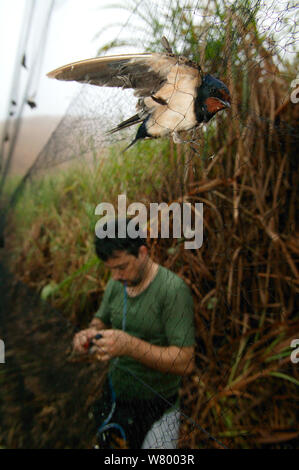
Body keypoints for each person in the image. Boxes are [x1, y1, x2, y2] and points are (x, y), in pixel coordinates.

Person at [73, 217, 195, 449]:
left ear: (142, 252)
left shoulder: (172, 290)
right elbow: (101, 319)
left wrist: (130, 346)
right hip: (117, 401)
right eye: (110, 269)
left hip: (159, 408)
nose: (116, 276)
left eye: (121, 267)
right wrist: (90, 333)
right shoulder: (116, 284)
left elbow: (185, 362)